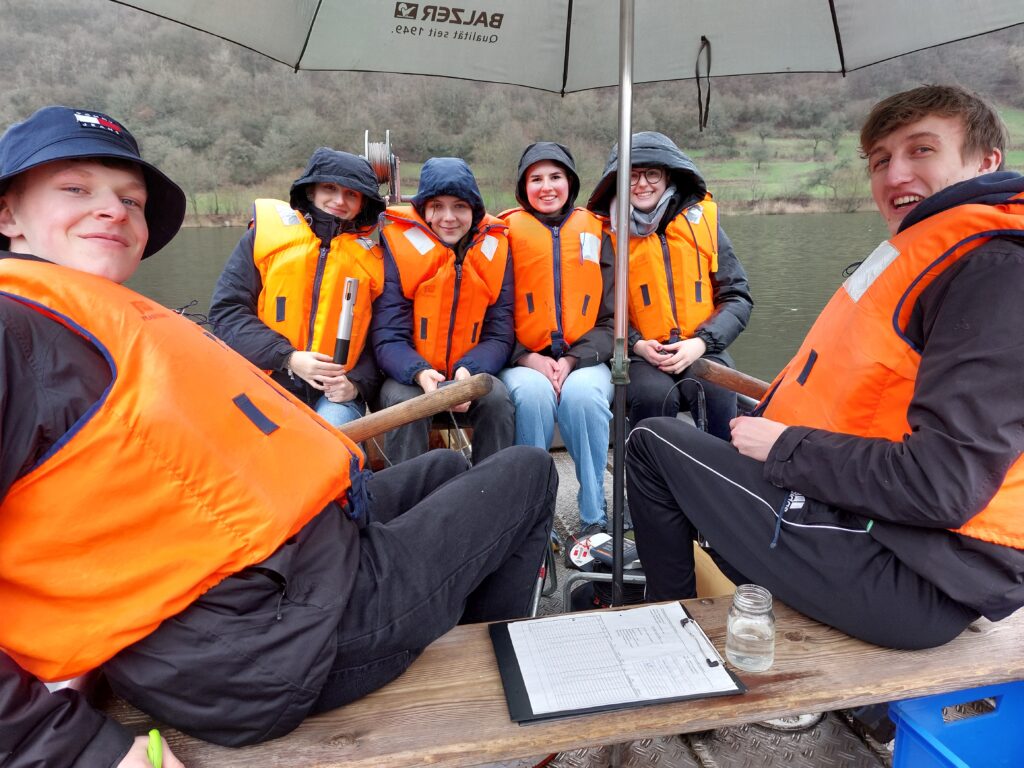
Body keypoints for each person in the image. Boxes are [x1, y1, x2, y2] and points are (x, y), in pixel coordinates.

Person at [0, 106, 555, 768]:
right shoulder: (14, 337)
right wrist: (78, 751)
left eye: (130, 199)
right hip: (262, 650)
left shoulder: (77, 319)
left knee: (443, 474)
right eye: (75, 189)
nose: (113, 212)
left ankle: (440, 629)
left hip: (274, 570)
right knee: (528, 472)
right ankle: (482, 694)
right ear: (8, 216)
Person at [625, 85, 1024, 650]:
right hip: (899, 534)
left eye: (922, 150)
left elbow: (944, 484)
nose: (893, 175)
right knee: (709, 454)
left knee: (649, 443)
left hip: (911, 575)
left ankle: (669, 640)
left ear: (987, 163)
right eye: (881, 160)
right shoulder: (943, 253)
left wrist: (786, 445)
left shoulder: (995, 272)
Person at [587, 131, 753, 440]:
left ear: (668, 177)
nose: (642, 184)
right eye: (632, 176)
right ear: (618, 182)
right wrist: (635, 343)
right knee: (653, 395)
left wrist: (700, 343)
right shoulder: (601, 233)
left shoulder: (704, 222)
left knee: (716, 388)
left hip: (702, 347)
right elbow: (596, 307)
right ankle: (650, 483)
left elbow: (737, 297)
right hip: (638, 354)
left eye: (652, 174)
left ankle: (715, 480)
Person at [209, 147, 385, 427]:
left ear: (363, 203)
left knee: (332, 435)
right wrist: (289, 358)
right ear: (311, 191)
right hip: (267, 379)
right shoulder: (262, 240)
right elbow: (226, 314)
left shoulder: (375, 261)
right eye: (330, 188)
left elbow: (381, 339)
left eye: (351, 193)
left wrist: (355, 385)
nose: (340, 200)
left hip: (335, 394)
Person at [499, 142, 614, 537]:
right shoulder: (503, 233)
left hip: (585, 357)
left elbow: (612, 318)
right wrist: (526, 357)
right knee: (532, 397)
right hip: (521, 359)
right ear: (522, 187)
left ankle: (593, 515)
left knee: (584, 398)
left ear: (570, 182)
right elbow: (490, 314)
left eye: (555, 177)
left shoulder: (598, 231)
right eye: (536, 179)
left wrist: (572, 361)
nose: (546, 187)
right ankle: (535, 521)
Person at [371, 156, 515, 465]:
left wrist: (469, 372)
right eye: (437, 206)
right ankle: (408, 503)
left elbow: (500, 334)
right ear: (423, 210)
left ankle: (492, 495)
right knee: (404, 404)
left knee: (497, 398)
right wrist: (421, 373)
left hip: (469, 372)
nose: (448, 217)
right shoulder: (397, 250)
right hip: (410, 376)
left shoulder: (497, 249)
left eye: (460, 207)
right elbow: (387, 336)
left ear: (474, 211)